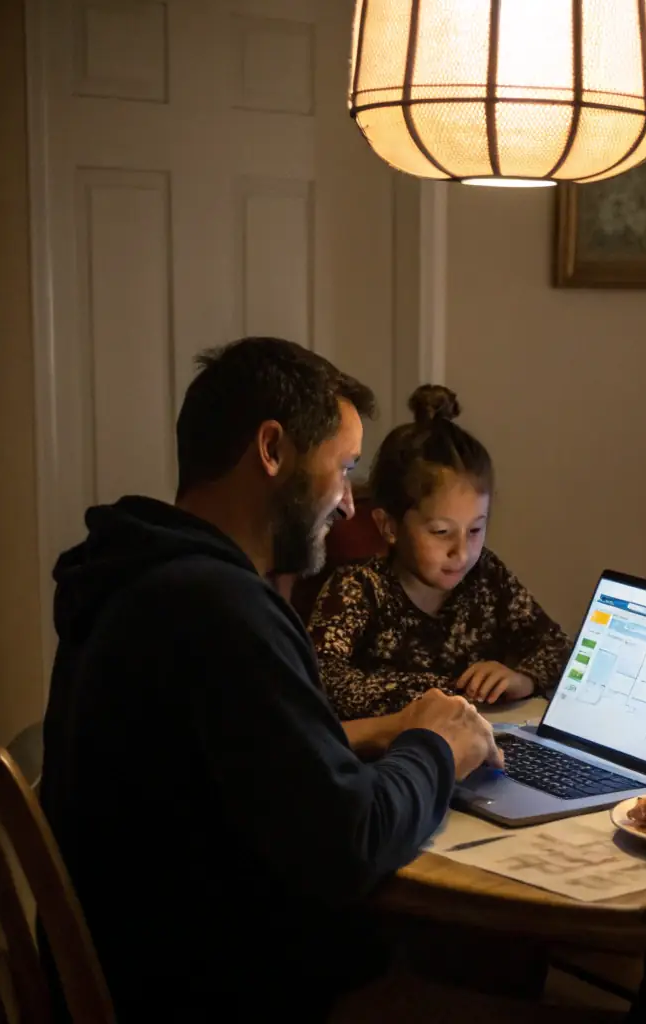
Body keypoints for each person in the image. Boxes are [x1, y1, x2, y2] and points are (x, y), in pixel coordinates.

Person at [40, 337, 503, 1022]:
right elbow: (350, 844)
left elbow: (239, 759)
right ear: (272, 449)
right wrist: (438, 747)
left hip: (145, 967)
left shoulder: (137, 574)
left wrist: (385, 731)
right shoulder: (218, 609)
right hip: (229, 996)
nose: (348, 504)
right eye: (343, 467)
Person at [309, 385, 571, 750]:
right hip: (393, 758)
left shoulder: (486, 577)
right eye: (441, 532)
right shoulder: (359, 587)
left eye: (475, 530)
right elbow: (324, 678)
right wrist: (439, 695)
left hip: (476, 748)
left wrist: (522, 678)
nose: (461, 552)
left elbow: (558, 647)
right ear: (389, 526)